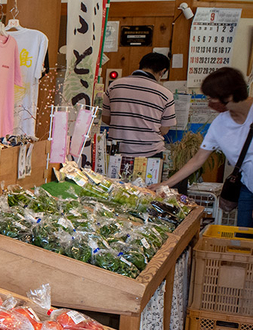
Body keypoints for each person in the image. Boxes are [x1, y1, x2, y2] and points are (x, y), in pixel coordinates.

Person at [157, 67, 253, 227]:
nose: (209, 105)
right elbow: (198, 159)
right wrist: (166, 184)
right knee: (244, 238)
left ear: (228, 96)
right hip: (247, 188)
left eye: (211, 99)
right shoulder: (221, 124)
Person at [101, 52, 175, 157]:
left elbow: (106, 118)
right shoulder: (165, 94)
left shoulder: (115, 86)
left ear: (139, 66)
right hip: (150, 154)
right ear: (162, 72)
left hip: (117, 152)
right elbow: (164, 129)